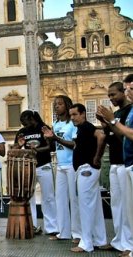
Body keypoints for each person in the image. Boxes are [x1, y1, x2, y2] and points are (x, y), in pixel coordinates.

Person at [45, 103, 108, 252]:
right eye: (71, 115)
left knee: (85, 206)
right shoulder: (81, 129)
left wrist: (97, 157)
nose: (72, 117)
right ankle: (100, 239)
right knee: (95, 206)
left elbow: (102, 136)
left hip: (87, 169)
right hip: (84, 169)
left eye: (75, 114)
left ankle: (86, 243)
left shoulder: (87, 127)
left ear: (83, 114)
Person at [97, 74, 133, 257]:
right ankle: (119, 240)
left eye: (113, 94)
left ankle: (129, 243)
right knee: (117, 205)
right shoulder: (118, 114)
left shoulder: (128, 112)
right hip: (115, 162)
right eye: (109, 95)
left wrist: (112, 122)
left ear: (123, 92)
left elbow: (126, 137)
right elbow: (113, 137)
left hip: (125, 162)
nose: (111, 98)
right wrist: (106, 124)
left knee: (128, 207)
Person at [42, 95, 81, 242]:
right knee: (60, 199)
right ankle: (63, 232)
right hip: (60, 165)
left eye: (59, 104)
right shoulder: (56, 124)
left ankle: (77, 233)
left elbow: (74, 144)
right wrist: (48, 139)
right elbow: (53, 147)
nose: (56, 106)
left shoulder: (73, 124)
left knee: (74, 199)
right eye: (54, 104)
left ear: (67, 105)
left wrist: (56, 138)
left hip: (72, 164)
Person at [14, 110, 58, 236]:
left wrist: (36, 150)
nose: (24, 125)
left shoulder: (43, 128)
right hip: (29, 167)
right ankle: (31, 225)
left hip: (44, 165)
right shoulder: (22, 132)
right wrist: (19, 145)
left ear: (32, 119)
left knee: (48, 197)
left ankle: (52, 227)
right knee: (29, 197)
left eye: (25, 122)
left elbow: (52, 147)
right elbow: (15, 149)